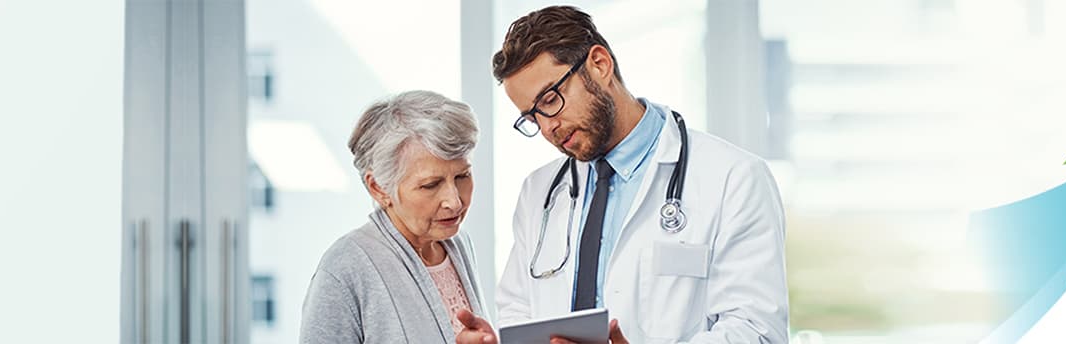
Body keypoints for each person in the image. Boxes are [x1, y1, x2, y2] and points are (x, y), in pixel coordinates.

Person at [455, 6, 789, 343]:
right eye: (532, 117)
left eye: (551, 100)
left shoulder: (734, 178)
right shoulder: (539, 192)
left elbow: (757, 331)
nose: (547, 127)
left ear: (599, 65)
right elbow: (518, 310)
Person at [301, 90, 492, 343]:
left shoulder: (457, 242)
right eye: (430, 185)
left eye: (462, 176)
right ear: (379, 188)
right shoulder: (345, 266)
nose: (454, 201)